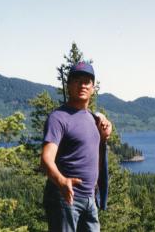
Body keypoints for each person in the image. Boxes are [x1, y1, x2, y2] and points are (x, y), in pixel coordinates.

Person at [41, 61, 112, 232]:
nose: (82, 85)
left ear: (93, 88)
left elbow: (95, 154)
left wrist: (103, 137)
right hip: (65, 199)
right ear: (69, 85)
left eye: (87, 81)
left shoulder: (92, 119)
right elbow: (46, 159)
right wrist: (62, 181)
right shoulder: (58, 118)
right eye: (77, 80)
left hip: (89, 199)